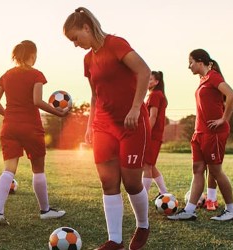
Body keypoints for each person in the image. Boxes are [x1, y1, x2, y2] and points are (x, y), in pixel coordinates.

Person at [63, 7, 151, 250]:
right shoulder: (88, 59)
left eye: (75, 38)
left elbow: (144, 71)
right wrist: (90, 125)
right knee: (108, 182)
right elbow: (94, 96)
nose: (75, 44)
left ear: (86, 28)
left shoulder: (116, 44)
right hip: (103, 125)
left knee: (132, 183)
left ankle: (143, 225)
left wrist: (135, 108)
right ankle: (115, 240)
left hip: (131, 124)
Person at [0, 40, 68, 226]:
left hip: (10, 127)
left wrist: (9, 115)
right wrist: (59, 113)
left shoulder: (6, 76)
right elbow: (37, 101)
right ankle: (45, 210)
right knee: (38, 169)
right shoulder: (36, 74)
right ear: (32, 55)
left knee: (9, 170)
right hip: (31, 128)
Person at [168, 49, 233, 221]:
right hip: (200, 133)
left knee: (215, 171)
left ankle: (231, 210)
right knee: (197, 170)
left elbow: (231, 95)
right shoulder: (203, 80)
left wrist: (223, 119)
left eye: (190, 62)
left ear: (200, 61)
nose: (188, 66)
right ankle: (189, 210)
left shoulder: (213, 76)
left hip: (213, 133)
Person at [143, 71, 168, 197]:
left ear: (157, 82)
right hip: (155, 135)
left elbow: (153, 117)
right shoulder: (154, 94)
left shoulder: (155, 95)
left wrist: (146, 133)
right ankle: (164, 192)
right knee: (150, 165)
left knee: (146, 165)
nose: (147, 82)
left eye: (150, 79)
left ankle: (144, 196)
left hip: (152, 135)